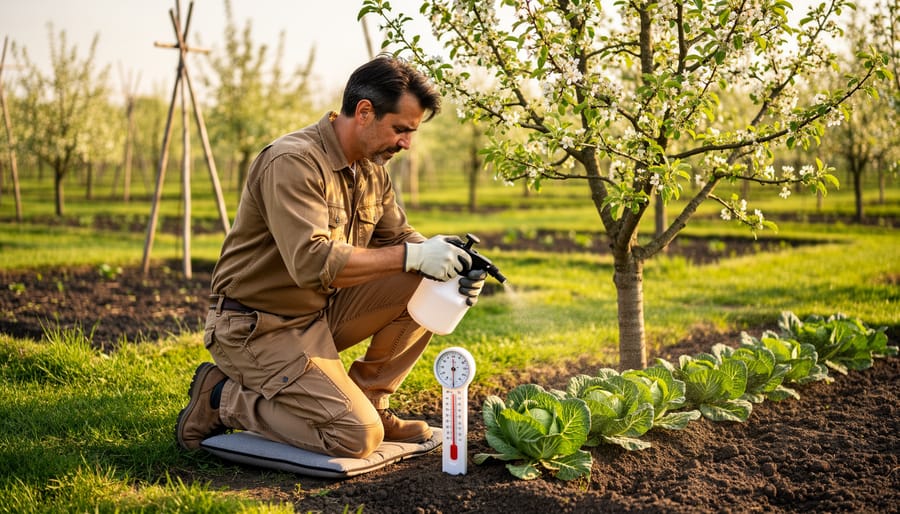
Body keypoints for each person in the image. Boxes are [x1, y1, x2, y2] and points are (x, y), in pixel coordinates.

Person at [174, 54, 487, 459]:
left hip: (318, 316)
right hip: (256, 327)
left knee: (428, 279)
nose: (407, 144)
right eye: (401, 130)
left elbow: (401, 238)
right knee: (356, 438)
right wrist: (415, 255)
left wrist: (448, 262)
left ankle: (372, 398)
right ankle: (222, 398)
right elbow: (312, 263)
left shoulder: (372, 169)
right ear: (364, 112)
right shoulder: (293, 162)